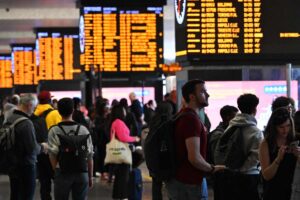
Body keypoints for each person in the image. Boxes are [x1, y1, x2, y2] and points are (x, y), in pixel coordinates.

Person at [165, 79, 225, 200]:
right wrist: (212, 168)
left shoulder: (183, 115)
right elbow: (194, 158)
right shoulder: (190, 120)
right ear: (192, 96)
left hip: (181, 180)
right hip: (189, 182)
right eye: (203, 92)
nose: (207, 95)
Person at [48, 98, 94, 200]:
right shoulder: (83, 129)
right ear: (73, 110)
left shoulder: (54, 131)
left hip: (63, 172)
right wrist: (90, 176)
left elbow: (52, 154)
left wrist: (57, 171)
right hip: (81, 172)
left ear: (58, 111)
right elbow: (90, 155)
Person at [221, 93, 263, 200]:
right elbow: (255, 157)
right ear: (255, 109)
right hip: (250, 176)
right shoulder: (256, 132)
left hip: (230, 174)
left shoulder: (230, 127)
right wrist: (243, 170)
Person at [7, 93, 48, 200]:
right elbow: (32, 149)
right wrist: (43, 147)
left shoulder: (9, 118)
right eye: (34, 107)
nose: (34, 110)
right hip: (26, 166)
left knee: (15, 195)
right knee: (27, 196)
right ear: (29, 105)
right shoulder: (26, 123)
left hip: (12, 164)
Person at [259, 107, 298, 200]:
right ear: (274, 127)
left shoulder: (296, 140)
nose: (285, 130)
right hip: (274, 191)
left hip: (294, 190)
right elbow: (266, 176)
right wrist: (278, 159)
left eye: (288, 126)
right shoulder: (266, 144)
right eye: (281, 127)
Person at [34, 90, 62, 200]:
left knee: (44, 182)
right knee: (58, 179)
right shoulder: (55, 113)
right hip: (53, 152)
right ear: (50, 100)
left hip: (40, 151)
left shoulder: (34, 113)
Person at [109, 104, 140, 199]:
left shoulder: (115, 122)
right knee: (123, 176)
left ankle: (118, 196)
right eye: (124, 110)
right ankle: (123, 196)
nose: (125, 112)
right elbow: (123, 137)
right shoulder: (119, 122)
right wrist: (135, 139)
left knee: (119, 176)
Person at [208, 105, 238, 200]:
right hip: (221, 177)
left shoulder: (228, 132)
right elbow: (218, 158)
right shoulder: (218, 135)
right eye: (235, 117)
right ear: (228, 118)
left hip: (227, 177)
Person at [147, 102, 173, 200]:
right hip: (165, 159)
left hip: (153, 159)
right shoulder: (168, 123)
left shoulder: (153, 122)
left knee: (156, 186)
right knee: (171, 186)